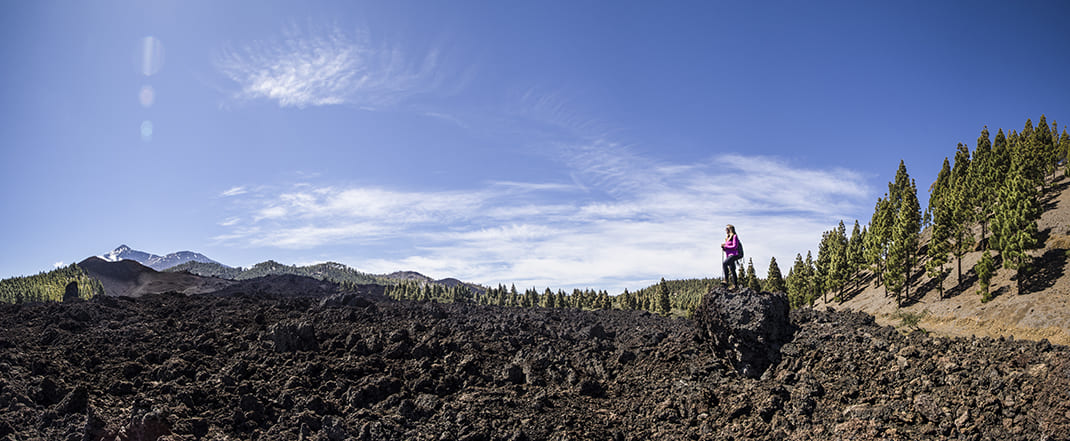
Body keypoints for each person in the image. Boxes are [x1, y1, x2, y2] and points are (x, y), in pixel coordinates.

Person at [721, 224, 743, 290]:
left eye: (726, 229)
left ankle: (726, 280)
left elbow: (734, 246)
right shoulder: (728, 238)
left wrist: (726, 246)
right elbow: (728, 249)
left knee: (724, 263)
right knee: (732, 269)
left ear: (730, 229)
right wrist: (724, 248)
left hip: (734, 254)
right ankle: (735, 285)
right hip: (729, 255)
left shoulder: (734, 236)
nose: (725, 230)